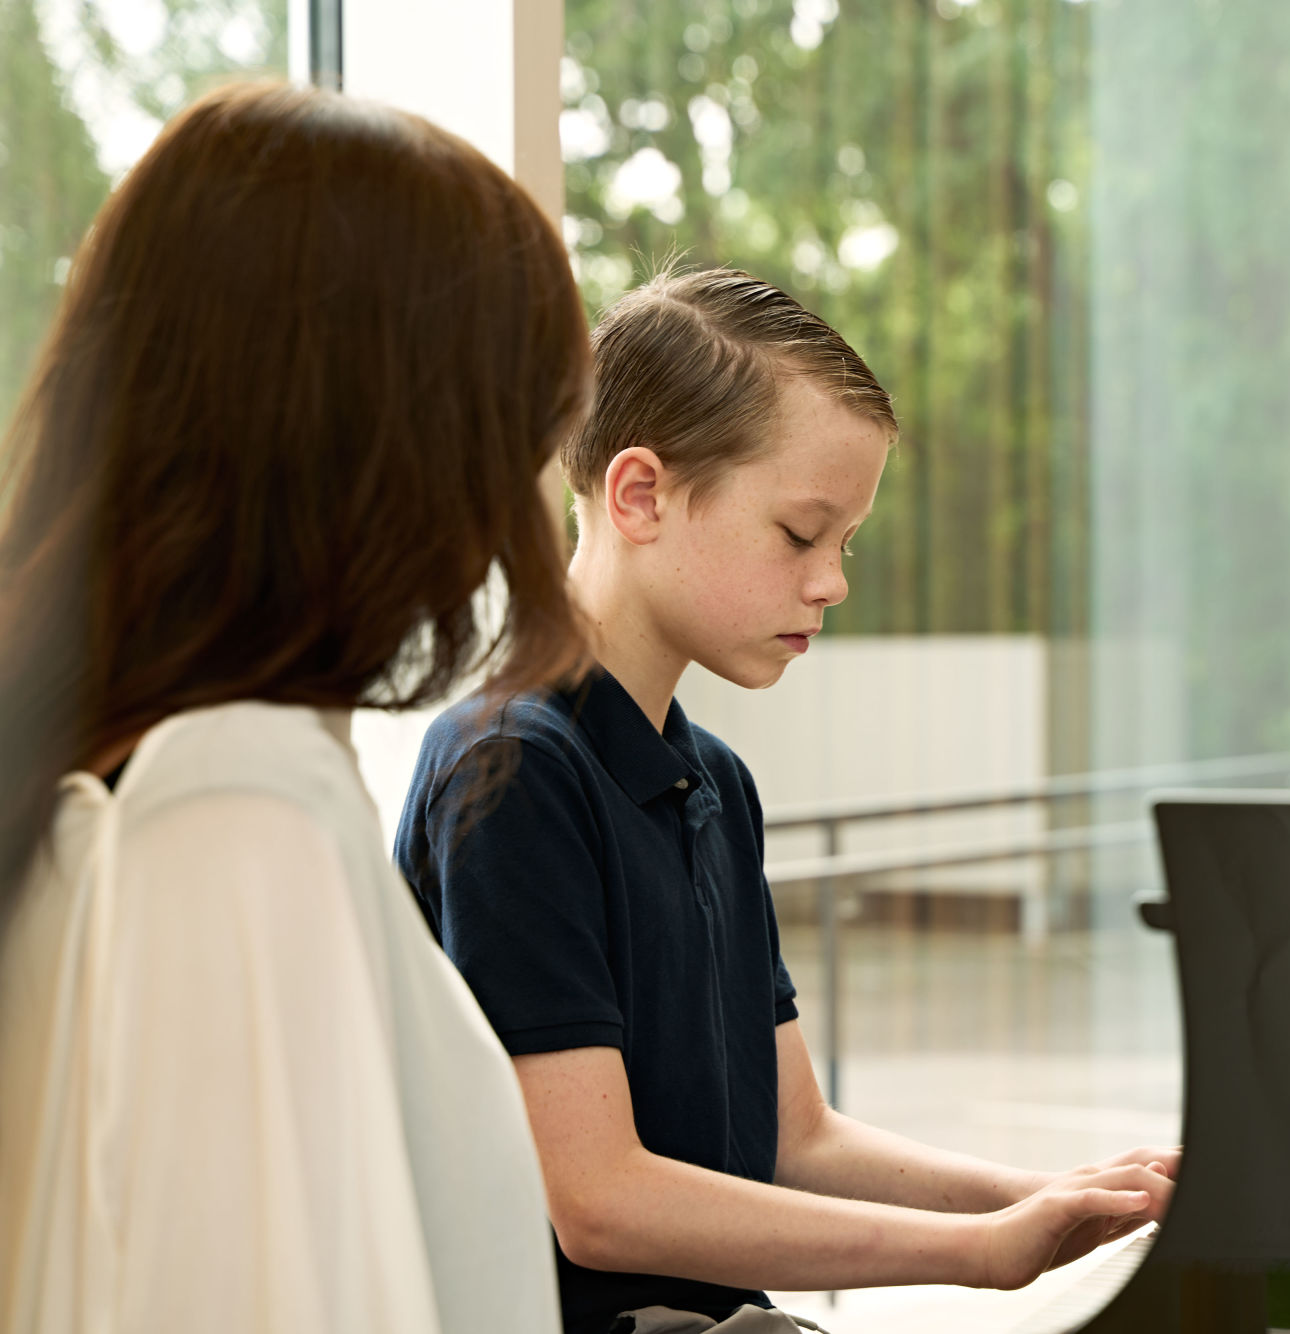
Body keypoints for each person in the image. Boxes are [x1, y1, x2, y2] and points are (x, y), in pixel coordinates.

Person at [394, 266, 1177, 1334]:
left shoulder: (712, 781)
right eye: (801, 534)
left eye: (844, 543)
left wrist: (1053, 1199)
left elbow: (794, 1138)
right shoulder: (509, 769)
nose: (832, 582)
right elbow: (597, 1203)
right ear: (639, 495)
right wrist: (976, 1255)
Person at [0, 82, 594, 1333]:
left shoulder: (94, 789)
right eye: (510, 432)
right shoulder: (236, 809)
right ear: (394, 439)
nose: (524, 499)